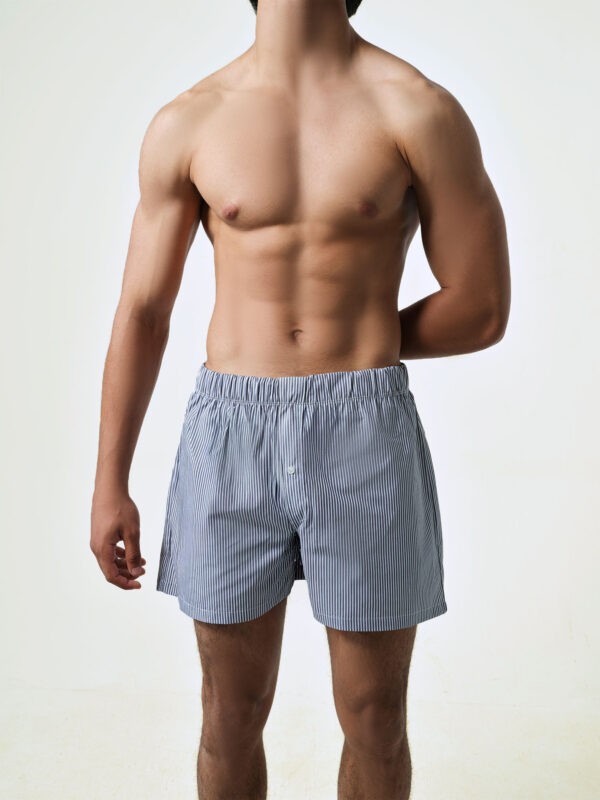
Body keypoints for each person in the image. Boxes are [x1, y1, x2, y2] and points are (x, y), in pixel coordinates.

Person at [90, 0, 511, 797]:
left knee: (375, 716)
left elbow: (482, 306)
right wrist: (110, 479)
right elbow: (143, 312)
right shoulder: (190, 121)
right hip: (230, 433)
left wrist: (356, 338)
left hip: (364, 429)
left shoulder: (417, 109)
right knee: (229, 712)